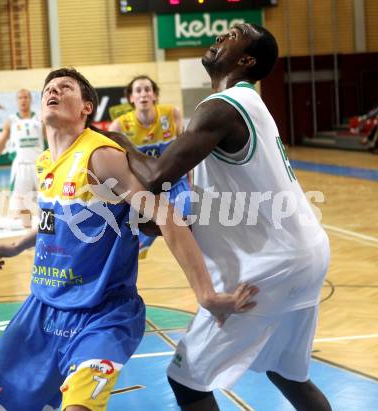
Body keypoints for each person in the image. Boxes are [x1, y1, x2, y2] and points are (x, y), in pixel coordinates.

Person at [0, 68, 258, 411]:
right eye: (49, 89)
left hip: (101, 314)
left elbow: (169, 219)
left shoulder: (100, 155)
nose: (52, 92)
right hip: (41, 310)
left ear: (87, 107)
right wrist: (16, 247)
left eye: (65, 87)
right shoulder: (46, 162)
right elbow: (54, 221)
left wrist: (206, 295)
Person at [108, 24, 332, 411]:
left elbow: (158, 175)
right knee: (286, 373)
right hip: (305, 256)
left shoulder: (221, 107)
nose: (222, 35)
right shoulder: (249, 105)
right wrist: (168, 224)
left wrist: (122, 147)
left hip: (272, 264)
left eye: (234, 34)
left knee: (186, 378)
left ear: (247, 60)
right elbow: (226, 200)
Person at [109, 75, 191, 258]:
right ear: (131, 98)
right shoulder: (119, 126)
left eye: (147, 89)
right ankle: (139, 244)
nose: (143, 94)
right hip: (147, 186)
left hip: (176, 182)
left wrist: (191, 182)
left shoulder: (171, 114)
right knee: (132, 228)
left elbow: (187, 152)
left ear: (154, 95)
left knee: (187, 222)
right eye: (138, 90)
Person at [0, 89, 45, 227]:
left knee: (46, 199)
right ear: (17, 101)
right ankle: (27, 229)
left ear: (30, 99)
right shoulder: (11, 120)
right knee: (22, 203)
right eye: (20, 98)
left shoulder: (39, 119)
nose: (23, 100)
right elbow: (1, 143)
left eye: (26, 97)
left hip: (40, 165)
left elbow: (51, 140)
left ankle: (46, 230)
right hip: (21, 166)